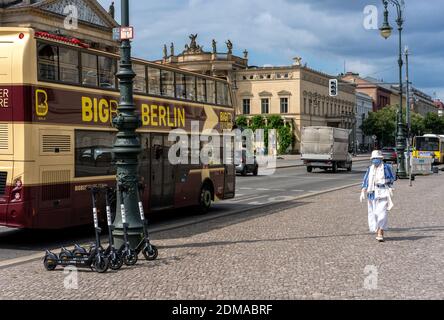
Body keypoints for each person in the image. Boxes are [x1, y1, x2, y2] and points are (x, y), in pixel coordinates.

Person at [360, 150, 396, 242]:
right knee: (373, 213)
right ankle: (379, 230)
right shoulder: (370, 168)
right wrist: (363, 191)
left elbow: (392, 178)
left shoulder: (386, 167)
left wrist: (390, 186)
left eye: (377, 158)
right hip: (372, 193)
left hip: (383, 191)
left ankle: (380, 231)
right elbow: (366, 180)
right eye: (374, 159)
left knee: (382, 213)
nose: (375, 160)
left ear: (381, 159)